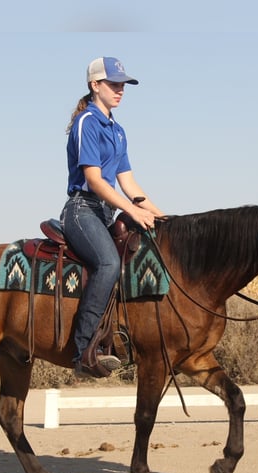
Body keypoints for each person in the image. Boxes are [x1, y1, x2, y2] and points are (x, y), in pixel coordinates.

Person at [60, 56, 165, 379]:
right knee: (107, 263)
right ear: (95, 85)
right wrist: (132, 210)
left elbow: (129, 183)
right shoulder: (86, 123)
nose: (120, 90)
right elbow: (93, 180)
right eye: (114, 84)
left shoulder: (118, 131)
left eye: (123, 85)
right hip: (82, 210)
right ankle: (84, 352)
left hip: (106, 210)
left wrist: (164, 218)